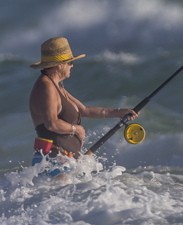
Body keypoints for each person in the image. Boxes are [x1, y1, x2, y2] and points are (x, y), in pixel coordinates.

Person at [28, 37, 137, 166]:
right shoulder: (46, 87)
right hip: (54, 160)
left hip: (62, 160)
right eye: (69, 62)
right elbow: (52, 124)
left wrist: (119, 112)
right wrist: (77, 129)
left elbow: (84, 110)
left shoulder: (57, 86)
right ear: (59, 65)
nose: (72, 65)